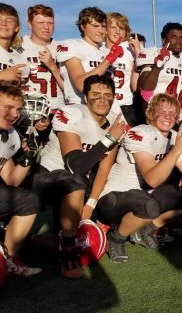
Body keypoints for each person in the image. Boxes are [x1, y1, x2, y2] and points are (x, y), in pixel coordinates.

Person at [95, 93, 182, 261]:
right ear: (151, 113)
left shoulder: (173, 136)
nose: (168, 116)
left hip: (144, 196)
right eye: (162, 111)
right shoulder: (140, 132)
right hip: (114, 200)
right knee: (148, 204)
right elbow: (153, 179)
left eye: (172, 113)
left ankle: (145, 228)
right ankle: (116, 237)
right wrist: (176, 150)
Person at [34, 74, 125, 278]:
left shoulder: (114, 123)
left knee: (71, 228)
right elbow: (76, 165)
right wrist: (110, 138)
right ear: (85, 97)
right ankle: (68, 256)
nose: (102, 99)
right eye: (96, 94)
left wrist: (90, 204)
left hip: (77, 186)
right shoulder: (72, 113)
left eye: (107, 95)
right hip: (47, 177)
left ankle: (38, 241)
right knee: (76, 180)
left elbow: (104, 168)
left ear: (113, 98)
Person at [0, 84, 42, 277]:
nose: (14, 114)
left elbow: (11, 180)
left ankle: (7, 259)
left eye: (17, 109)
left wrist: (27, 158)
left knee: (28, 199)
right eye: (8, 107)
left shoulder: (11, 136)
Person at [56, 7, 122, 105]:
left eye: (103, 26)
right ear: (83, 26)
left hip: (105, 107)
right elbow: (81, 84)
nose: (100, 30)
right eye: (95, 26)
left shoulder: (106, 50)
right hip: (80, 107)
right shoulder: (72, 45)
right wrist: (108, 60)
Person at [137, 22, 182, 123]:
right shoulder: (153, 53)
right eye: (174, 37)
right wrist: (158, 65)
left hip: (177, 120)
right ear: (164, 39)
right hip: (155, 120)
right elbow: (145, 88)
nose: (179, 41)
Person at [20, 4, 65, 110]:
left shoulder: (63, 49)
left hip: (55, 109)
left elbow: (69, 89)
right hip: (25, 109)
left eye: (50, 23)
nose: (46, 27)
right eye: (41, 22)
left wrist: (53, 66)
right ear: (29, 24)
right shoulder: (18, 46)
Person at [103, 12, 140, 125]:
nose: (117, 31)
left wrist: (138, 54)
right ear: (105, 29)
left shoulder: (130, 50)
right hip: (102, 105)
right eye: (113, 27)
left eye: (122, 28)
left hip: (125, 107)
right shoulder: (98, 49)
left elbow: (136, 86)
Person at [0, 3, 29, 85]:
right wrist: (1, 75)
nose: (3, 24)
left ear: (16, 28)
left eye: (9, 20)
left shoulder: (21, 57)